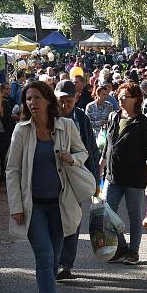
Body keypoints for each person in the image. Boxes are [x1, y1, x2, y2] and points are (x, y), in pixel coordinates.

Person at [6, 80, 88, 293]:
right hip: (33, 207)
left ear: (48, 100)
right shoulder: (21, 131)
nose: (32, 103)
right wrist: (16, 206)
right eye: (28, 99)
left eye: (37, 98)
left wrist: (71, 158)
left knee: (52, 260)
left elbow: (83, 153)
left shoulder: (67, 126)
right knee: (45, 256)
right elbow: (12, 170)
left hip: (61, 204)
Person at [99, 83, 147, 265]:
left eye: (125, 96)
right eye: (120, 95)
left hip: (134, 177)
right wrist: (101, 165)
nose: (120, 98)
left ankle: (133, 251)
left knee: (134, 215)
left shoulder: (143, 122)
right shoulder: (113, 117)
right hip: (112, 175)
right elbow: (108, 144)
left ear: (136, 99)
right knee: (107, 214)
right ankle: (122, 246)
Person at [54, 79, 100, 280]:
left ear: (76, 99)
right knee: (54, 219)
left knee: (73, 220)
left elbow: (90, 149)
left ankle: (66, 264)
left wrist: (95, 179)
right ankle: (54, 261)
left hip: (76, 176)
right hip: (54, 177)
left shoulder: (81, 118)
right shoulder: (48, 118)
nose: (64, 105)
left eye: (69, 101)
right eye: (61, 101)